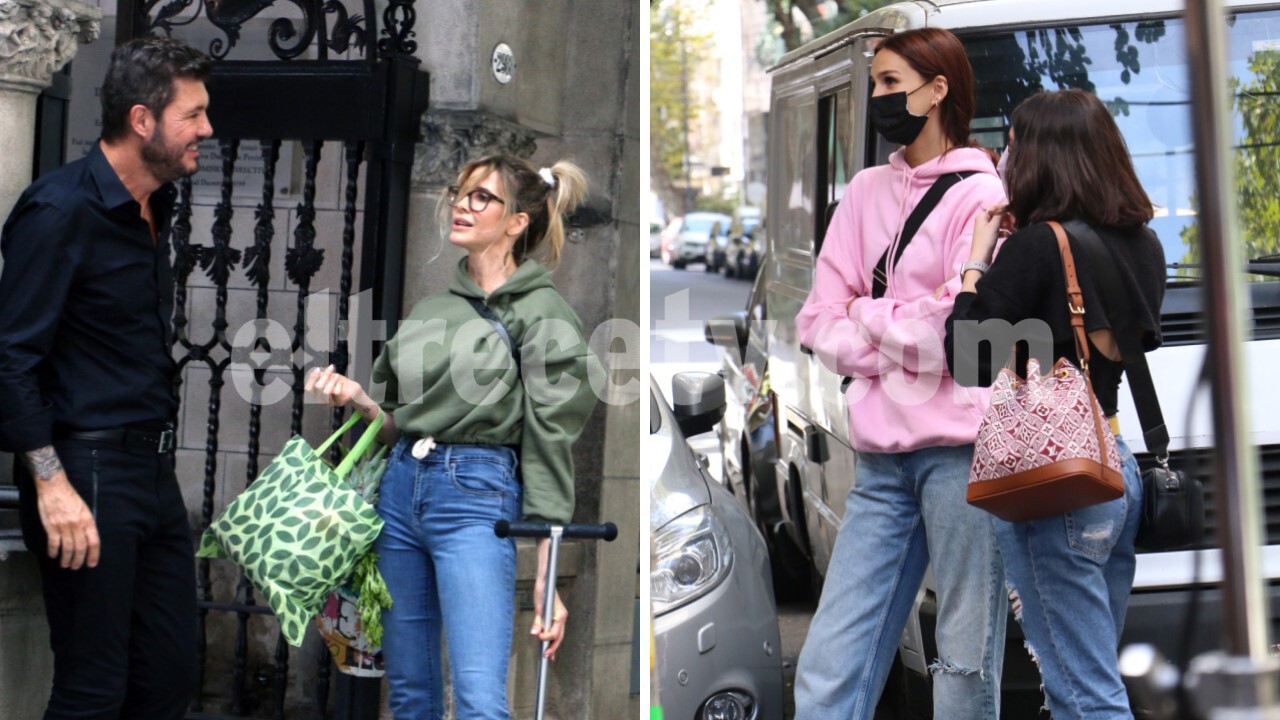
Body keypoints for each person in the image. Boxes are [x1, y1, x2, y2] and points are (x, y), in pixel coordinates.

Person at [306, 155, 601, 720]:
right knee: (410, 695)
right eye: (461, 193)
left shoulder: (545, 314)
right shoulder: (431, 308)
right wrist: (361, 400)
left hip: (475, 498)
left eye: (482, 198)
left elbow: (550, 443)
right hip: (399, 495)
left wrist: (546, 570)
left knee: (478, 699)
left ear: (517, 222)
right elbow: (396, 421)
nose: (462, 205)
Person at [793, 27, 1008, 720]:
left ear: (938, 89)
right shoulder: (862, 193)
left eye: (891, 83)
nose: (879, 97)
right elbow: (817, 321)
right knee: (831, 660)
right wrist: (899, 324)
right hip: (883, 461)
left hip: (963, 455)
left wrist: (871, 313)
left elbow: (958, 335)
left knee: (964, 657)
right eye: (877, 83)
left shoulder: (980, 195)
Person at [0, 38, 213, 719]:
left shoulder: (157, 209)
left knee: (169, 676)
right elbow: (11, 357)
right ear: (143, 120)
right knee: (94, 689)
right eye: (195, 115)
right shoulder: (60, 210)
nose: (207, 130)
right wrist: (49, 482)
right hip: (82, 472)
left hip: (149, 475)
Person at [945, 89, 1164, 719]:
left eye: (1013, 145)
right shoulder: (1144, 245)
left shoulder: (1039, 246)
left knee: (1086, 694)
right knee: (1080, 681)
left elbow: (968, 355)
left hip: (1059, 483)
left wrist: (975, 264)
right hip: (1114, 467)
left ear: (1041, 154)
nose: (1006, 158)